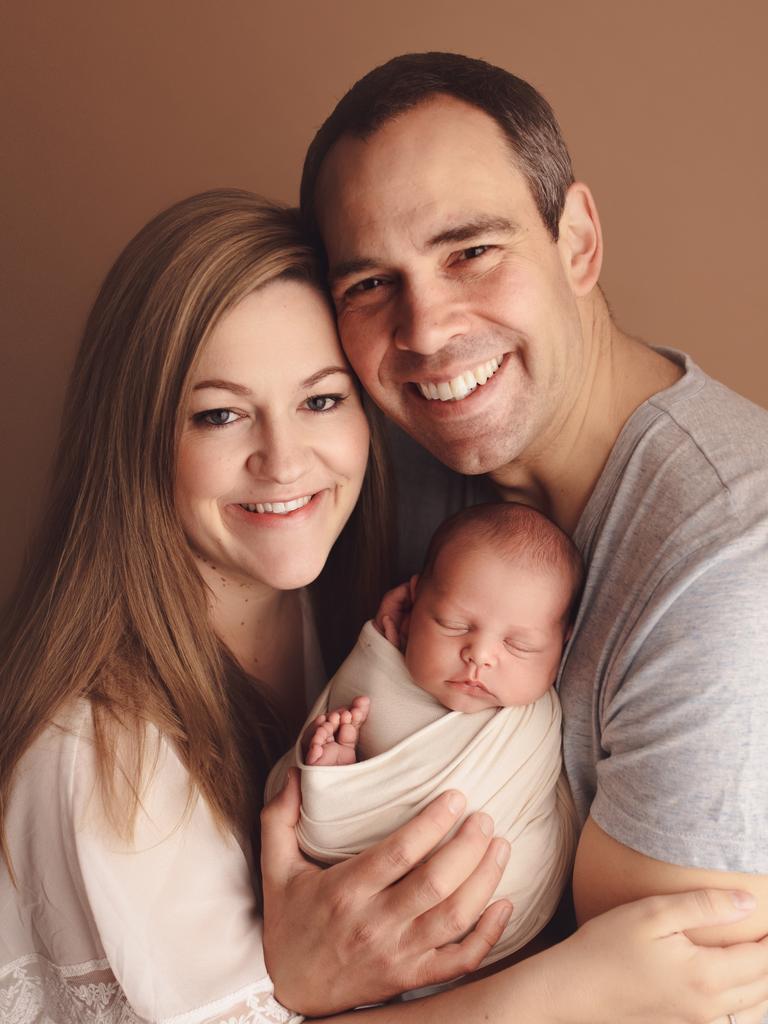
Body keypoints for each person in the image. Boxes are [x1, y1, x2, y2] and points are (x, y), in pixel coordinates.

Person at [1, 189, 766, 1024]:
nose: (284, 461)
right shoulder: (100, 752)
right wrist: (561, 994)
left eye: (321, 400)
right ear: (139, 437)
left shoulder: (371, 605)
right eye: (219, 415)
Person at [258, 51, 768, 1022]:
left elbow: (643, 1008)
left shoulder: (728, 576)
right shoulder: (370, 455)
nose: (426, 329)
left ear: (577, 240)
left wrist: (287, 994)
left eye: (469, 251)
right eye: (372, 281)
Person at [271, 501, 581, 969]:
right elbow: (294, 817)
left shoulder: (534, 719)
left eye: (519, 645)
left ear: (562, 647)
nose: (479, 655)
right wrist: (335, 783)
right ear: (413, 606)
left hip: (510, 939)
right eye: (453, 625)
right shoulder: (374, 683)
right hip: (356, 930)